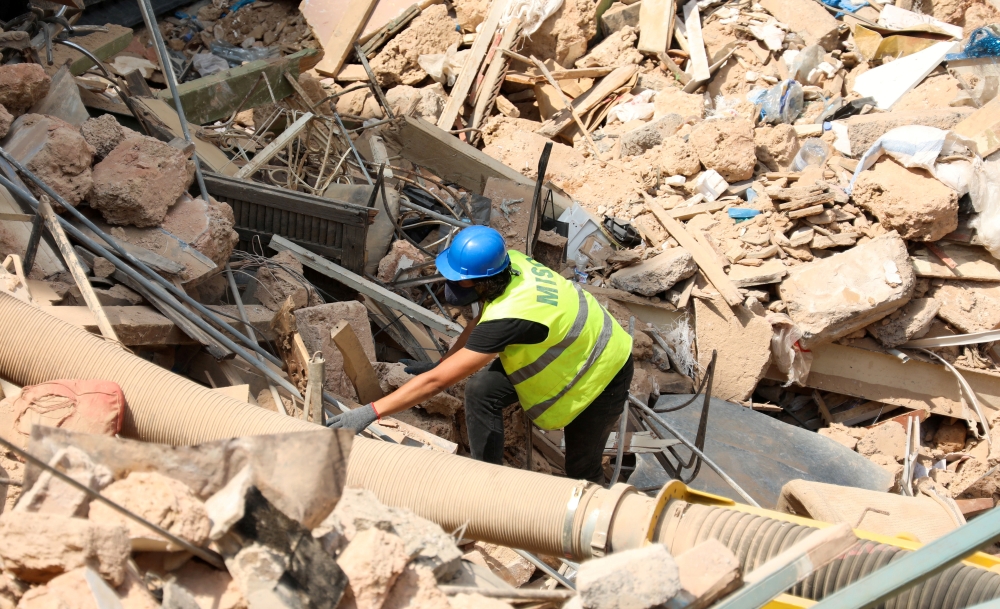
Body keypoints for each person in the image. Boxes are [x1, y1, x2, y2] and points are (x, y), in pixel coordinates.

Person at [329, 226, 634, 483]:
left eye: (458, 279)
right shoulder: (510, 264)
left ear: (483, 281)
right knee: (481, 389)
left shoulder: (511, 315)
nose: (450, 284)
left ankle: (597, 534)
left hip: (604, 371)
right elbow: (481, 323)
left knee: (582, 471)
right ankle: (487, 479)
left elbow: (436, 384)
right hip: (570, 346)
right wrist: (441, 364)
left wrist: (369, 412)